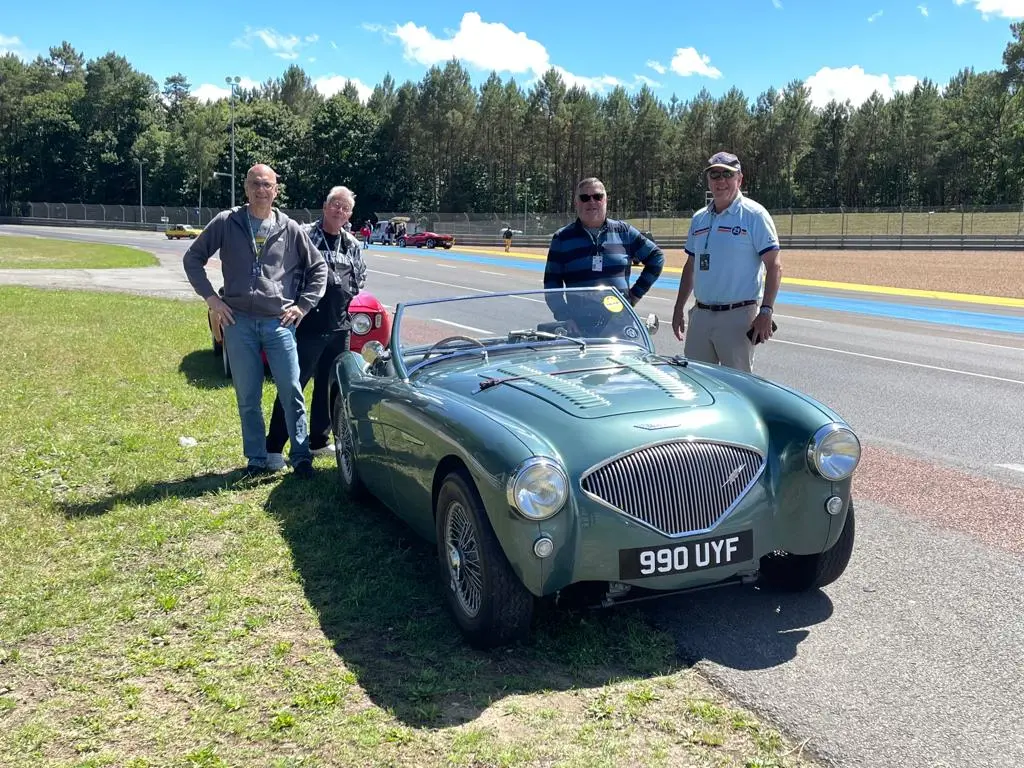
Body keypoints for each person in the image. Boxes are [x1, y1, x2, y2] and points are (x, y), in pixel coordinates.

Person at [183, 163, 327, 478]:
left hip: (278, 324)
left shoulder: (289, 228)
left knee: (291, 390)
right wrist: (213, 300)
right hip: (239, 324)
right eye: (255, 184)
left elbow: (319, 269)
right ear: (246, 189)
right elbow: (192, 259)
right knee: (247, 395)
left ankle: (301, 456)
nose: (261, 190)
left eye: (267, 184)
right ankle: (257, 459)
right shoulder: (227, 222)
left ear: (276, 190)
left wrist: (302, 306)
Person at [265, 186, 366, 468]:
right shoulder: (303, 234)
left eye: (345, 208)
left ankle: (319, 440)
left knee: (329, 386)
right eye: (335, 204)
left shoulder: (351, 244)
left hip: (338, 326)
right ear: (325, 206)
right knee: (293, 385)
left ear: (349, 215)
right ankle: (274, 447)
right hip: (305, 323)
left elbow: (360, 278)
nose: (339, 211)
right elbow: (281, 270)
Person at [671, 151, 781, 373]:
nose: (720, 181)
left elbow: (774, 265)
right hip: (701, 314)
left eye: (727, 175)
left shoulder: (754, 215)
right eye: (714, 175)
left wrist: (767, 311)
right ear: (708, 180)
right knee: (697, 383)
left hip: (738, 318)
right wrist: (678, 307)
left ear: (739, 179)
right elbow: (691, 266)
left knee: (737, 388)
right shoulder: (699, 218)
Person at [543, 177, 664, 331]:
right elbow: (551, 284)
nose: (591, 202)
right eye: (585, 198)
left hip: (620, 325)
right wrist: (564, 316)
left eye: (597, 197)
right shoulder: (562, 238)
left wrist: (634, 296)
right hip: (579, 327)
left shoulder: (624, 232)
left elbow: (656, 257)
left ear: (605, 200)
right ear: (576, 203)